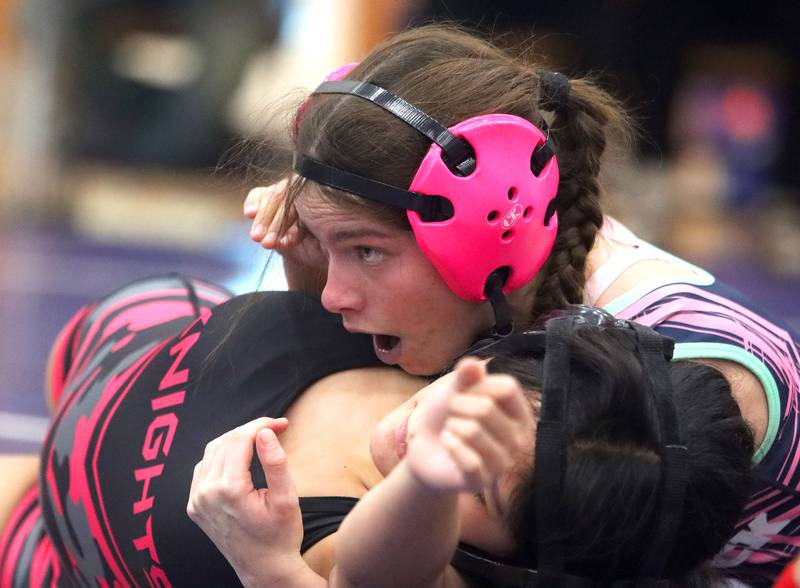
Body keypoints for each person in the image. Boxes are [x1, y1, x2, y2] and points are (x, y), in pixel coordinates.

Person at [240, 24, 800, 585]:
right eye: (328, 248)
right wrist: (306, 253)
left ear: (486, 231)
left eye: (366, 251)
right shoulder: (535, 281)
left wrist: (273, 573)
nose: (336, 295)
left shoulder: (673, 382)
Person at [0, 271, 754, 586]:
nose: (436, 429)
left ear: (515, 561)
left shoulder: (398, 559)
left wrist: (272, 570)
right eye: (487, 407)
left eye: (477, 482)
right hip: (129, 341)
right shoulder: (455, 320)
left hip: (50, 548)